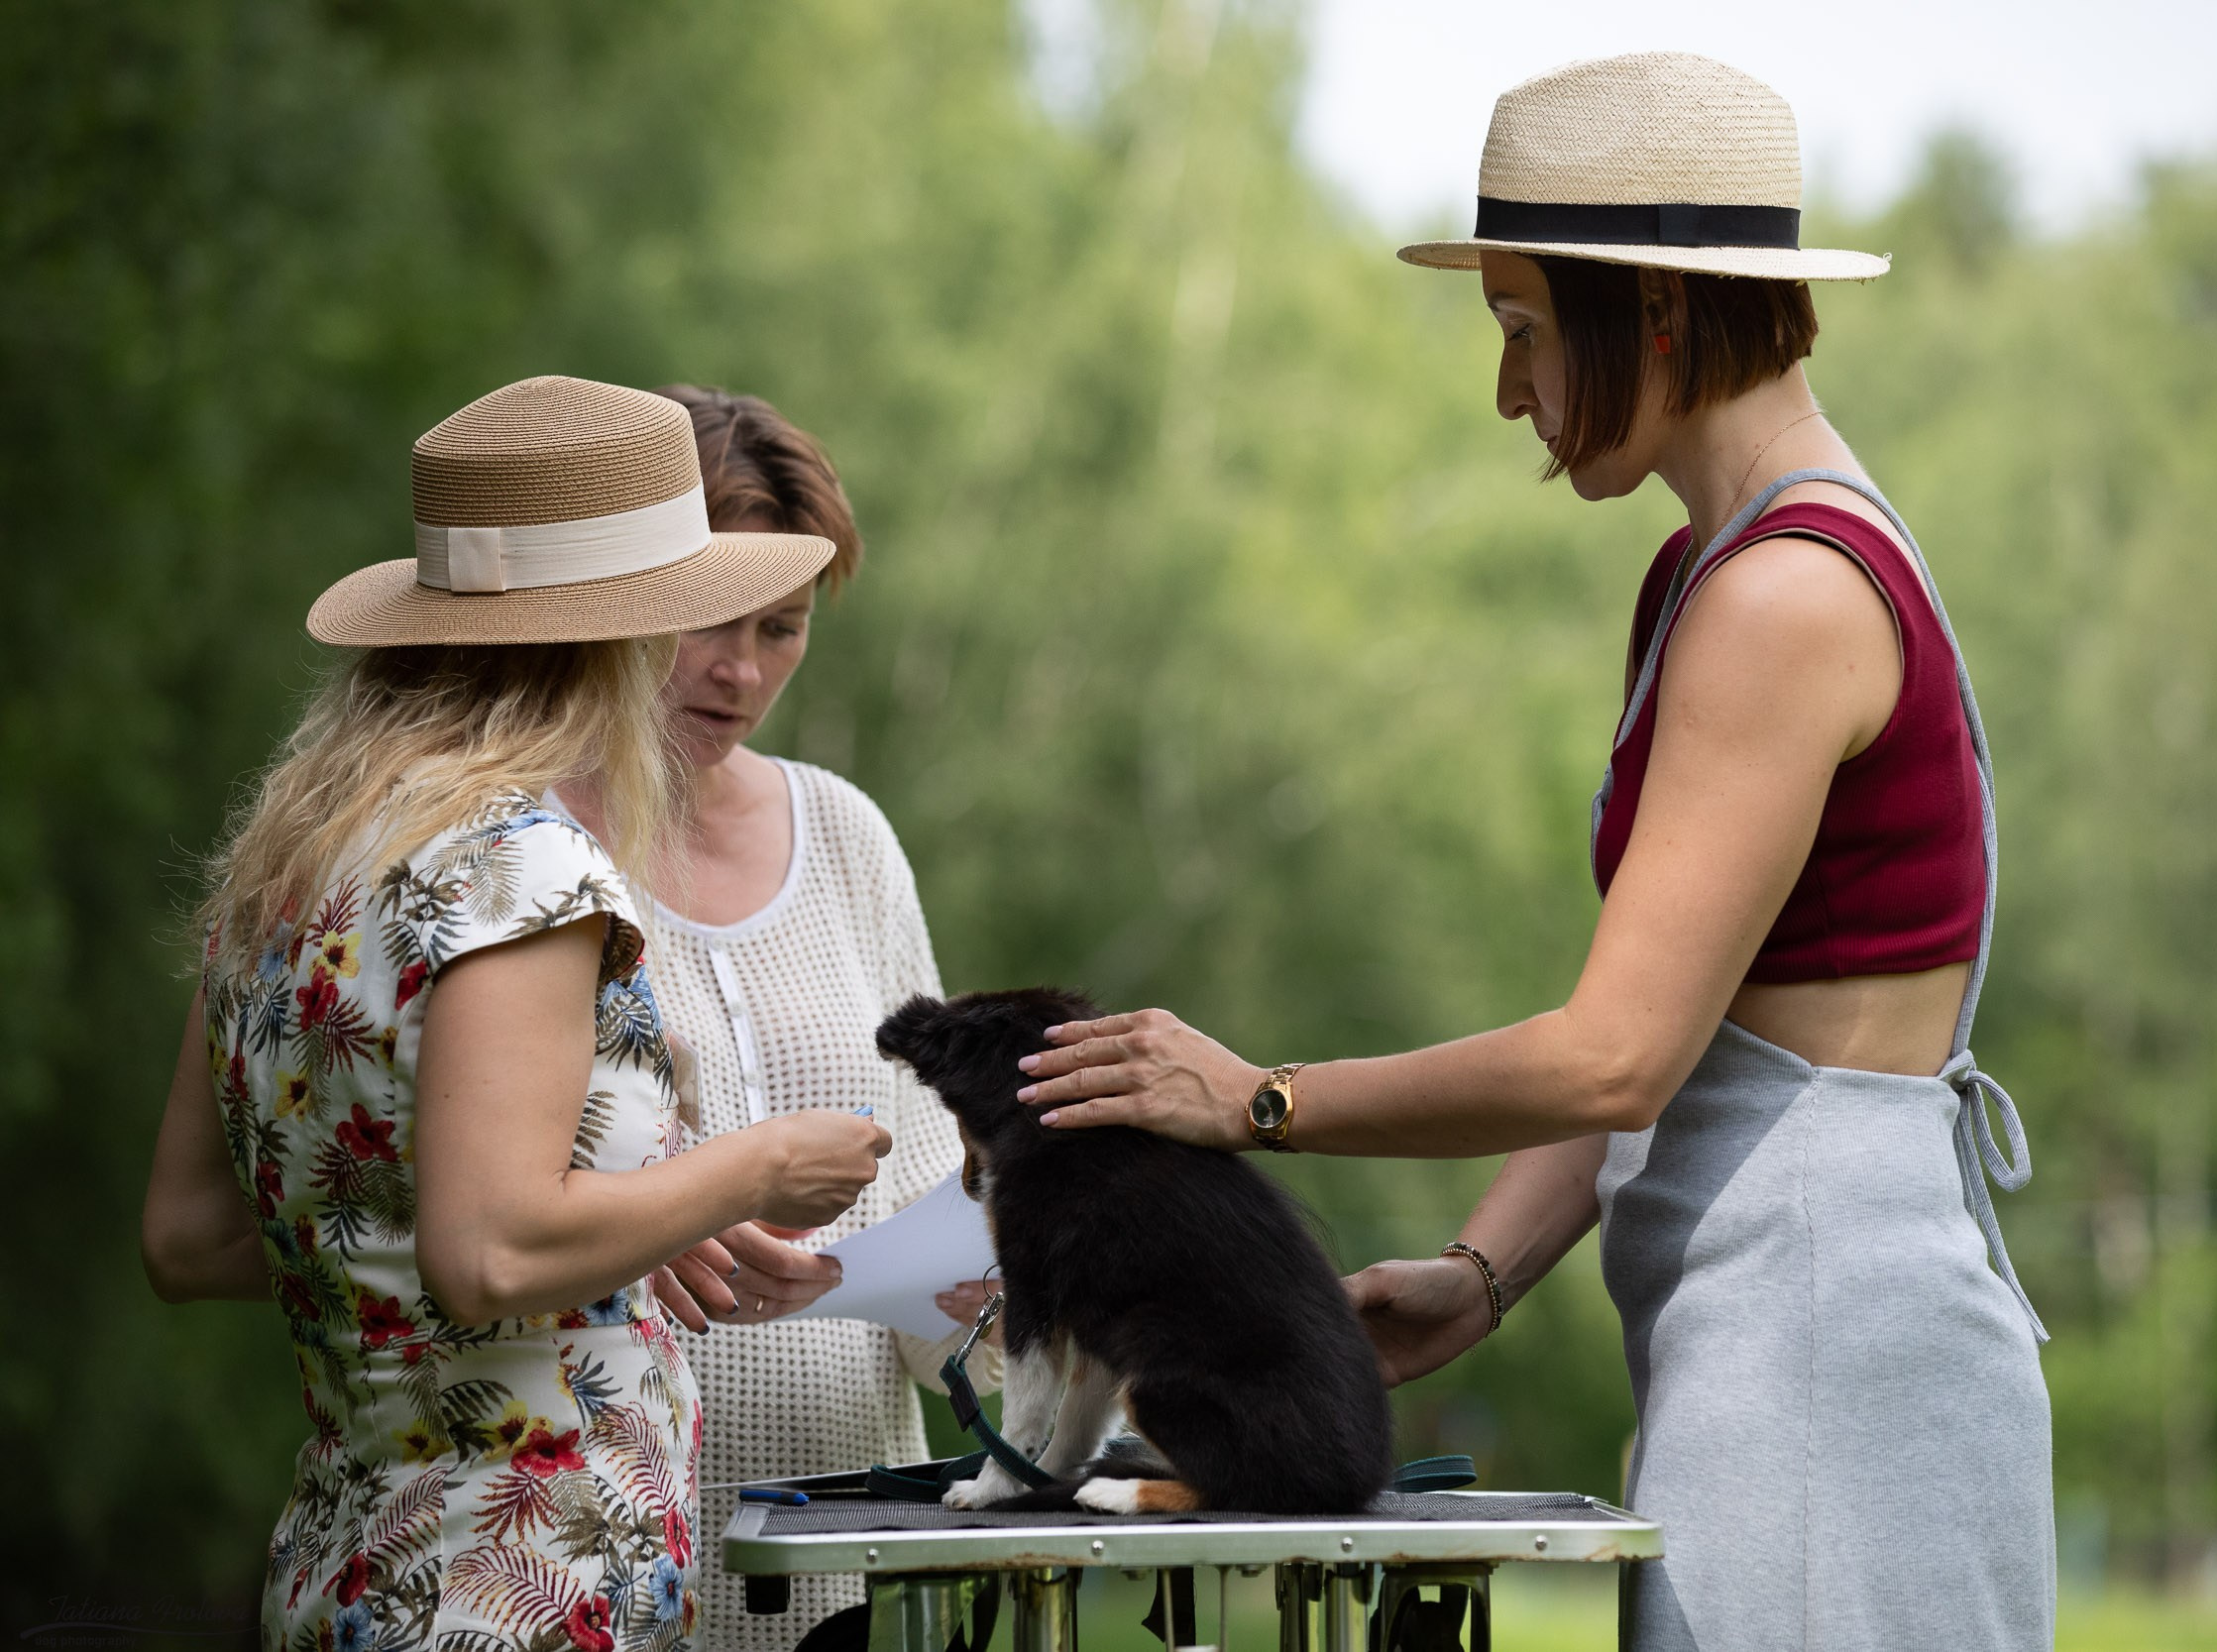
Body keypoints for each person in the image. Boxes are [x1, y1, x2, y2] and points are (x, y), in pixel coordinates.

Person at [1006, 55, 2054, 1652]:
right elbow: (1671, 1033)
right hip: (1769, 1326)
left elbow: (1617, 1055)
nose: (1507, 391)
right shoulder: (1705, 578)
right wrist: (1481, 1271)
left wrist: (1263, 1099)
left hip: (1838, 1349)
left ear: (1648, 309)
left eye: (1520, 328)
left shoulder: (1784, 599)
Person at [139, 377, 890, 1652]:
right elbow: (486, 1252)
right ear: (613, 630)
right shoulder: (524, 871)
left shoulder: (292, 867)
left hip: (350, 1567)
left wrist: (559, 1243)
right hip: (515, 1583)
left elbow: (193, 1234)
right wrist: (754, 1165)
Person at [559, 385, 995, 1649]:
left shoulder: (848, 835)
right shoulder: (512, 853)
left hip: (850, 1577)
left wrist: (1031, 1288)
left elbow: (931, 1181)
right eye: (707, 621)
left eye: (782, 626)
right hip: (600, 1558)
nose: (741, 669)